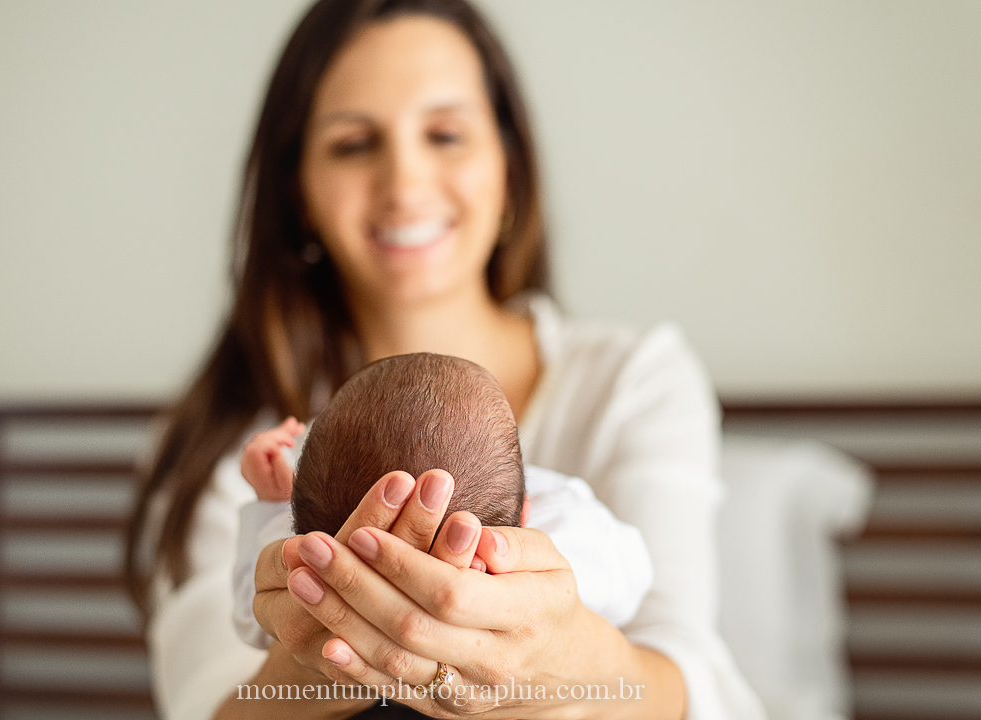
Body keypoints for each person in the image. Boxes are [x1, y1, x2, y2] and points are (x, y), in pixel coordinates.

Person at [124, 0, 766, 718]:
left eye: (445, 133)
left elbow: (692, 678)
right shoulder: (234, 442)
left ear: (509, 168)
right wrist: (328, 642)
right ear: (297, 192)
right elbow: (202, 699)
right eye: (352, 143)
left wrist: (561, 659)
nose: (404, 184)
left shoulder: (629, 382)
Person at [230, 352, 654, 652]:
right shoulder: (560, 518)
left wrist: (269, 507)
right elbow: (632, 573)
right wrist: (509, 577)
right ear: (526, 512)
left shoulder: (311, 560)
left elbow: (253, 621)